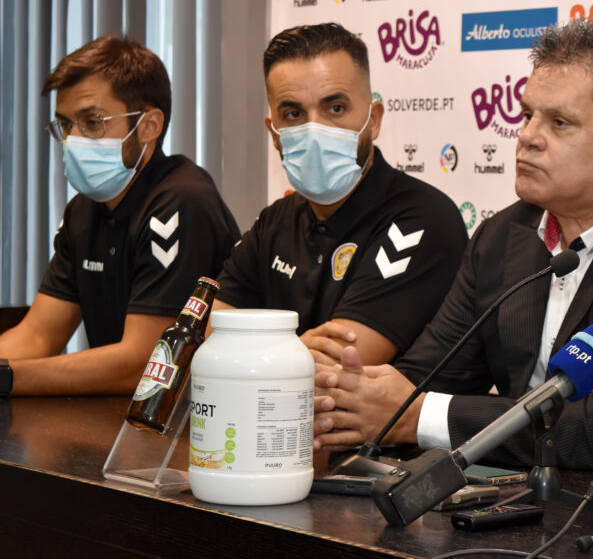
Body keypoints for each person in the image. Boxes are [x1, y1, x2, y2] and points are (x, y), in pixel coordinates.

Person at [312, 19, 593, 469]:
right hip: (508, 502)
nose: (528, 136)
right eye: (527, 114)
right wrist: (350, 396)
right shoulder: (503, 236)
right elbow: (427, 375)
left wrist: (417, 416)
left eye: (559, 122)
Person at [214, 23, 466, 365]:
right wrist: (298, 348)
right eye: (293, 114)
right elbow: (203, 338)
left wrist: (253, 349)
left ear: (373, 119)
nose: (315, 130)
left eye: (335, 109)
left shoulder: (422, 218)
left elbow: (339, 364)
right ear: (274, 133)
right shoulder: (274, 221)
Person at [0, 36, 240, 395]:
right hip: (117, 423)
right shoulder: (84, 210)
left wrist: (9, 379)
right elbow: (37, 335)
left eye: (92, 122)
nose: (73, 140)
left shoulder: (182, 200)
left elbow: (146, 362)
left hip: (196, 430)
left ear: (149, 126)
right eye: (65, 125)